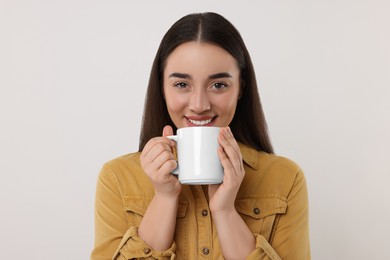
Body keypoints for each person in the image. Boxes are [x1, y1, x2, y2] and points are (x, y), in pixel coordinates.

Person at [91, 12, 310, 260]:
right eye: (182, 85)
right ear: (162, 88)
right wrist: (164, 197)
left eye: (218, 85)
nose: (199, 105)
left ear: (241, 89)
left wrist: (225, 211)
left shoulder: (285, 179)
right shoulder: (117, 178)